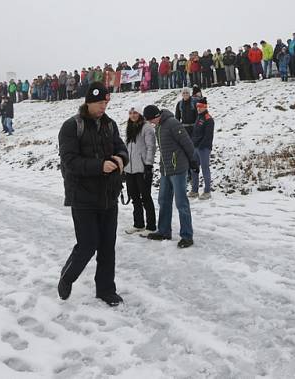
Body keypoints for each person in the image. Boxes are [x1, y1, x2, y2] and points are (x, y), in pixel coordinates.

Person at [58, 83, 128, 306]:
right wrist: (100, 166)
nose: (103, 107)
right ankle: (67, 277)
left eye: (106, 103)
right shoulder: (71, 126)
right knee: (88, 245)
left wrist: (120, 159)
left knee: (108, 246)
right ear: (88, 102)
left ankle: (106, 289)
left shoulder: (110, 125)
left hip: (109, 194)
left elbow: (122, 149)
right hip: (83, 196)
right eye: (100, 103)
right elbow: (70, 162)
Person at [142, 105, 198, 249]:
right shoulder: (159, 126)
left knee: (181, 203)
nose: (150, 123)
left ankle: (187, 236)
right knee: (163, 200)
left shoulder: (172, 123)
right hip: (166, 169)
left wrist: (193, 161)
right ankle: (164, 231)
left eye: (150, 120)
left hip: (178, 168)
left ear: (155, 116)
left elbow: (187, 143)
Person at [124, 107, 157, 234]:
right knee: (134, 197)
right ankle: (138, 223)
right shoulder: (129, 127)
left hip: (142, 168)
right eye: (130, 113)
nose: (132, 115)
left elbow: (151, 147)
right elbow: (127, 147)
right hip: (130, 169)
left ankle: (151, 226)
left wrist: (148, 164)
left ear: (140, 114)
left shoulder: (146, 128)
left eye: (135, 113)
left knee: (146, 197)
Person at [189, 98, 214, 200]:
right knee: (194, 169)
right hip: (195, 147)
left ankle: (207, 191)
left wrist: (200, 145)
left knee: (205, 169)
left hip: (204, 148)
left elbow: (208, 136)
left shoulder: (208, 119)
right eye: (197, 107)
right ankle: (194, 190)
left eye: (201, 107)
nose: (198, 108)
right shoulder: (199, 117)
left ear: (205, 107)